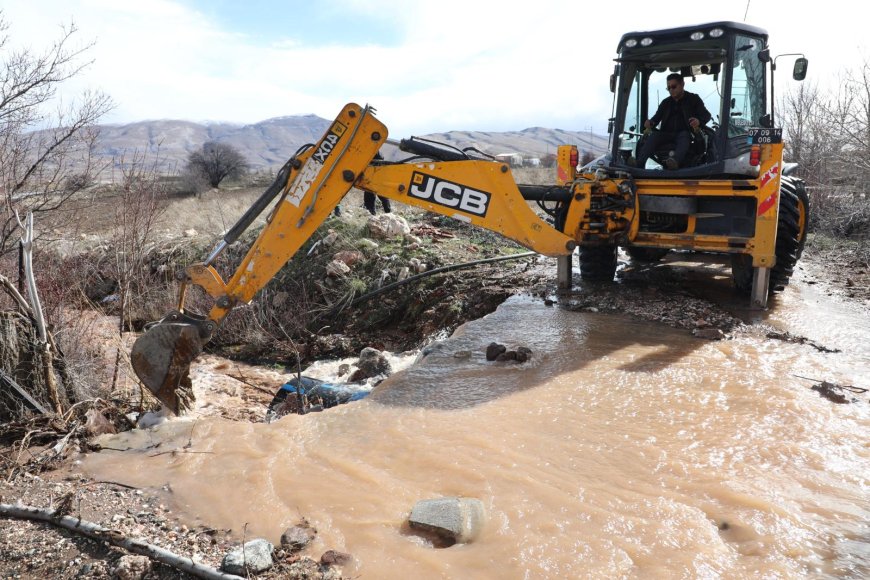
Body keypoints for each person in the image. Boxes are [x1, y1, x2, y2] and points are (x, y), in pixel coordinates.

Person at [635, 73, 712, 170]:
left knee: (684, 135)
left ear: (682, 84)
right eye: (668, 88)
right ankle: (639, 163)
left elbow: (706, 116)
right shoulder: (665, 102)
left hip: (685, 133)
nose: (671, 90)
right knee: (654, 136)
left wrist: (698, 121)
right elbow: (656, 118)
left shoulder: (694, 99)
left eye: (674, 86)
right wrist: (650, 122)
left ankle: (674, 162)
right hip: (666, 133)